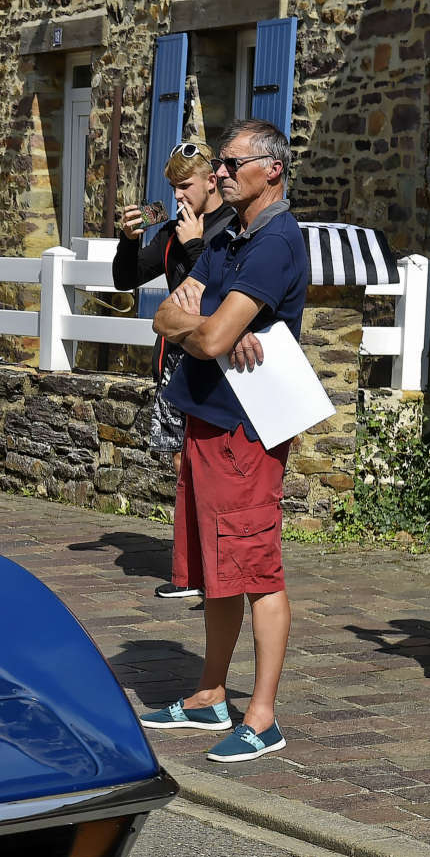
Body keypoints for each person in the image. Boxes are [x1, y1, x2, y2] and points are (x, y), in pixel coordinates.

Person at [142, 119, 307, 763]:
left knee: (255, 567)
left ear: (272, 169)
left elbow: (206, 338)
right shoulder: (231, 234)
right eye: (219, 163)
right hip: (208, 417)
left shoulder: (273, 243)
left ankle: (262, 716)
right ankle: (211, 693)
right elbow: (163, 312)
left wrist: (201, 322)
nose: (219, 173)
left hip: (246, 428)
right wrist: (201, 321)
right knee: (216, 570)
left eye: (233, 164)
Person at [115, 139, 238, 599]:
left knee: (210, 469)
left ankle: (214, 571)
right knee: (182, 467)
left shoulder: (229, 230)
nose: (179, 196)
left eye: (186, 186)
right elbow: (125, 279)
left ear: (212, 180)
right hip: (172, 363)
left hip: (214, 362)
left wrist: (193, 249)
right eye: (173, 188)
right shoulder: (172, 230)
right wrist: (130, 241)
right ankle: (192, 570)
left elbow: (219, 299)